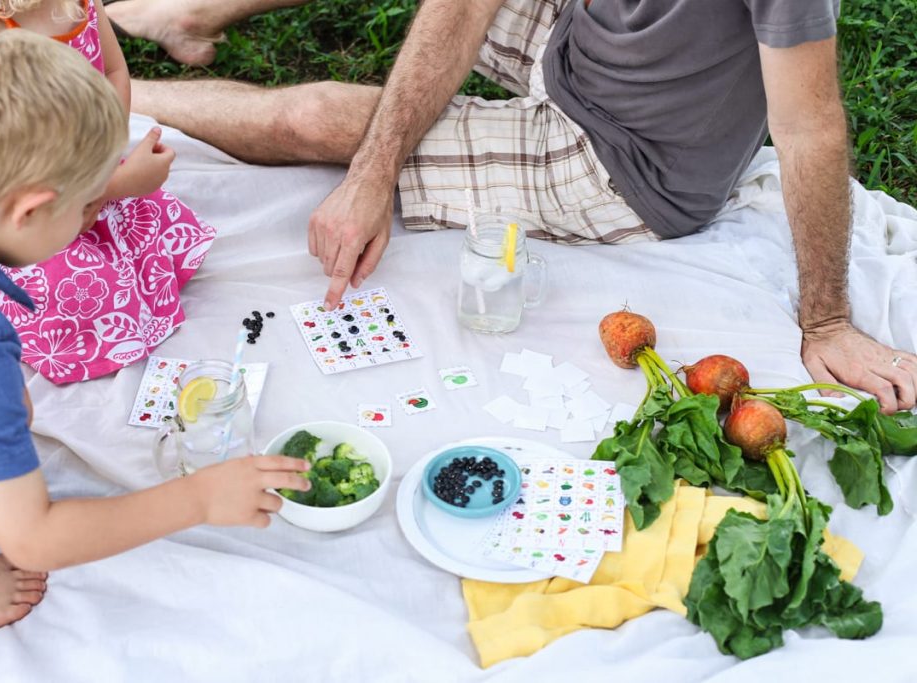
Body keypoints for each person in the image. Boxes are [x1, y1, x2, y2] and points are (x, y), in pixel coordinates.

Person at [128, 0, 917, 414]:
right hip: (584, 50)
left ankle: (105, 92)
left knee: (317, 120)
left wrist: (826, 320)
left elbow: (809, 128)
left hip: (626, 163)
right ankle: (191, 12)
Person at [0, 30, 311, 648]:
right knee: (5, 407)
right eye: (88, 207)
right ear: (31, 210)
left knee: (3, 408)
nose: (94, 220)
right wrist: (197, 497)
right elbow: (34, 538)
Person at [0, 0, 218, 385]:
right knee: (76, 288)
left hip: (77, 170)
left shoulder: (78, 3)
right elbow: (4, 165)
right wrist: (118, 185)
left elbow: (113, 72)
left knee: (152, 222)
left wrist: (105, 157)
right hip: (8, 203)